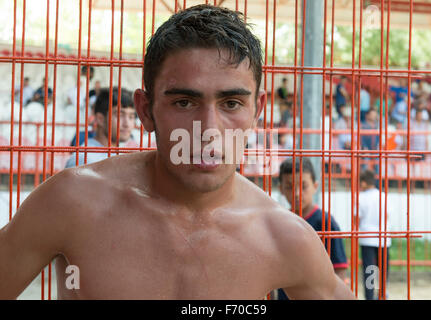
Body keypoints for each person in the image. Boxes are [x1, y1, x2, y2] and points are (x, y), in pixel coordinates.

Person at [0, 5, 355, 300]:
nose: (208, 129)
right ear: (146, 109)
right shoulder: (72, 201)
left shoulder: (283, 237)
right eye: (184, 102)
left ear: (257, 110)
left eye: (231, 102)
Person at [275, 158, 349, 300]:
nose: (296, 193)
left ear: (315, 186)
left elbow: (339, 268)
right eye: (290, 186)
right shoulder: (279, 223)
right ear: (281, 189)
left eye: (303, 186)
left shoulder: (327, 223)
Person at [65, 87, 136, 168]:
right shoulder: (85, 159)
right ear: (100, 119)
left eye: (131, 117)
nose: (127, 124)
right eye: (120, 115)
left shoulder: (121, 155)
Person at [357, 169, 391, 300]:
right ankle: (382, 294)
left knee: (369, 270)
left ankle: (369, 297)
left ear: (364, 183)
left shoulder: (360, 197)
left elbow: (357, 218)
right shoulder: (383, 196)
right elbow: (387, 215)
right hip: (383, 237)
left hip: (367, 237)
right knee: (383, 269)